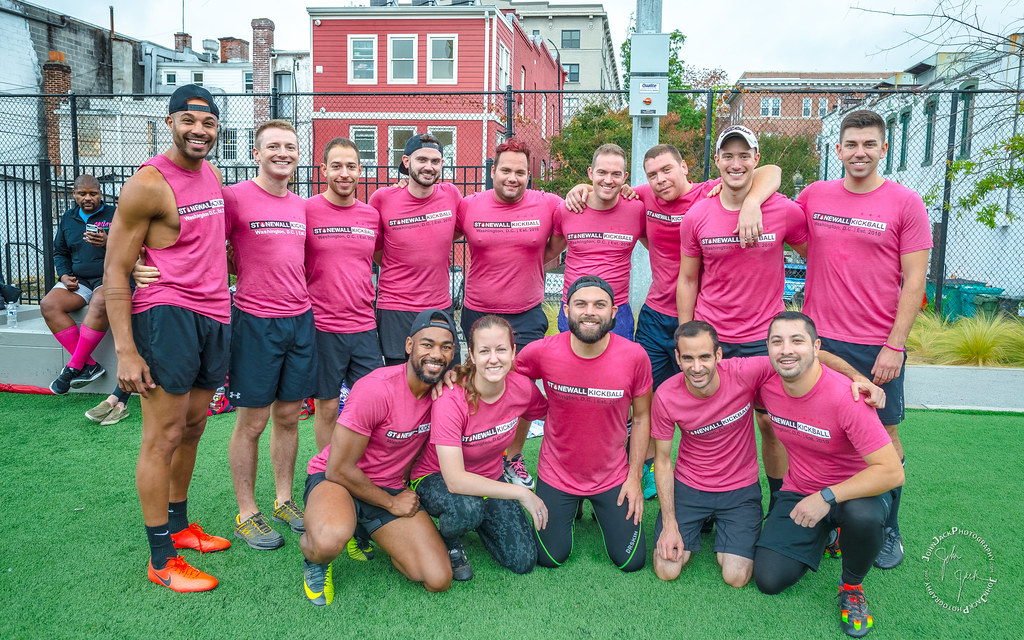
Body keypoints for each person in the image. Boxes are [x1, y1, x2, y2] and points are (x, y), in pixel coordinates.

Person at [570, 143, 782, 499]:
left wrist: (751, 202)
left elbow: (769, 171)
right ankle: (650, 468)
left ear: (686, 167)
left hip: (699, 319)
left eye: (667, 170)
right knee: (648, 399)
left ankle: (720, 480)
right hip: (655, 316)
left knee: (719, 404)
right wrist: (579, 188)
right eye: (652, 174)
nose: (660, 179)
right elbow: (601, 188)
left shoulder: (707, 193)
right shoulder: (641, 198)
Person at [104, 84, 232, 592]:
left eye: (208, 124)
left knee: (195, 426)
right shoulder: (149, 184)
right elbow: (116, 268)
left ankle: (179, 527)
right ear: (170, 122)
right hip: (167, 315)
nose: (199, 131)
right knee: (162, 437)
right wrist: (126, 351)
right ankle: (160, 557)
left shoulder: (213, 174)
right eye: (189, 122)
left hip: (214, 313)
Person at [796, 110, 931, 569]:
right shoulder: (814, 196)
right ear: (837, 150)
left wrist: (895, 345)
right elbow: (784, 222)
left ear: (883, 149)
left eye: (869, 144)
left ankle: (887, 528)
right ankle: (835, 520)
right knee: (831, 430)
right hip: (820, 340)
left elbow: (915, 281)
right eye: (851, 144)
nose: (859, 153)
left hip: (877, 345)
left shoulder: (905, 203)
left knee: (885, 435)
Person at [652, 320, 884, 588]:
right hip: (690, 487)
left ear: (718, 355)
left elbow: (808, 355)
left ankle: (728, 527)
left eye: (705, 356)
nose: (697, 367)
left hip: (739, 490)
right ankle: (701, 521)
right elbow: (662, 460)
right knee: (667, 569)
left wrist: (858, 377)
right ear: (677, 358)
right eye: (688, 358)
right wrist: (669, 524)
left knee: (736, 577)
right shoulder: (666, 395)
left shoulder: (744, 372)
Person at [677, 125, 808, 507]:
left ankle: (780, 502)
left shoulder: (783, 210)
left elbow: (817, 258)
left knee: (771, 423)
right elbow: (687, 279)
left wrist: (808, 313)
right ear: (716, 160)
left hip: (763, 338)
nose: (736, 163)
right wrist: (687, 332)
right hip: (713, 338)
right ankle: (708, 497)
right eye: (728, 156)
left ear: (756, 158)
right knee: (709, 422)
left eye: (744, 155)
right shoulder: (698, 215)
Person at [753, 312, 904, 638]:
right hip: (801, 489)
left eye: (797, 340)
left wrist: (827, 496)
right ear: (767, 348)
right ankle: (831, 534)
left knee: (861, 516)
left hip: (856, 493)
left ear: (816, 347)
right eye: (777, 341)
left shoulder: (846, 397)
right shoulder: (767, 385)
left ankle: (852, 586)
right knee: (768, 579)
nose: (786, 349)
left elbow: (892, 472)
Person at [300, 309, 460, 605]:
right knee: (328, 539)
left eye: (445, 347)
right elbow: (338, 469)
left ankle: (364, 529)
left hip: (388, 484)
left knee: (437, 578)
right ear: (409, 345)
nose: (436, 354)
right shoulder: (376, 388)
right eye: (427, 344)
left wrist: (464, 374)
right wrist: (390, 503)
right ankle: (315, 560)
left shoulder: (444, 391)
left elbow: (487, 380)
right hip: (338, 480)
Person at [515, 276, 652, 572]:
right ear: (566, 310)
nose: (590, 311)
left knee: (631, 561)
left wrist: (634, 478)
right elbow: (505, 377)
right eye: (581, 304)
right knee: (550, 558)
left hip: (612, 475)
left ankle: (592, 502)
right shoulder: (542, 350)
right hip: (557, 473)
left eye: (599, 305)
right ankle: (572, 503)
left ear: (614, 312)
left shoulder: (635, 357)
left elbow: (641, 418)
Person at [221, 119, 314, 550]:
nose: (283, 152)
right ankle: (247, 513)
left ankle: (282, 500)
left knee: (289, 416)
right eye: (273, 146)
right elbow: (202, 245)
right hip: (255, 322)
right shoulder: (235, 198)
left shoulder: (302, 206)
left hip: (300, 321)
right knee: (253, 421)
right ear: (256, 153)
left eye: (290, 146)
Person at [456, 138, 563, 490]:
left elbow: (561, 237)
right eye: (506, 170)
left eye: (520, 172)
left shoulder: (547, 204)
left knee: (519, 388)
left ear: (529, 175)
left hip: (526, 314)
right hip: (479, 312)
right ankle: (474, 456)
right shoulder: (469, 205)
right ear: (493, 172)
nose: (513, 177)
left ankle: (512, 457)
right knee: (476, 385)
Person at [410, 314, 548, 580]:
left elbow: (546, 414)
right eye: (484, 351)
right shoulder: (451, 398)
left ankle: (480, 517)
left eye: (501, 349)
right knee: (466, 509)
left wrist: (516, 453)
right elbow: (455, 480)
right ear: (471, 354)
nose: (493, 358)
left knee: (524, 560)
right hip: (436, 478)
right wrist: (521, 494)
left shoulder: (522, 389)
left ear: (513, 351)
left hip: (489, 477)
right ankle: (449, 539)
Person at [369, 134, 462, 366]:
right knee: (400, 379)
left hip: (439, 305)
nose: (428, 167)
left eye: (435, 161)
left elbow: (456, 231)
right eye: (422, 160)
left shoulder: (451, 195)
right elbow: (377, 251)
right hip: (395, 308)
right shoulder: (382, 199)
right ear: (406, 161)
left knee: (447, 379)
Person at [547, 144, 646, 341]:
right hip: (574, 308)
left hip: (617, 311)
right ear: (591, 173)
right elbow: (550, 252)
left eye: (616, 174)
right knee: (570, 370)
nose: (608, 180)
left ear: (625, 177)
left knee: (617, 371)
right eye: (602, 172)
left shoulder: (637, 210)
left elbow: (661, 250)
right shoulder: (567, 209)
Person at [43, 174, 115, 394]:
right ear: (74, 194)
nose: (88, 198)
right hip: (79, 280)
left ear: (100, 193)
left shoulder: (115, 214)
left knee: (101, 301)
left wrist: (107, 241)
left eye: (93, 193)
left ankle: (74, 366)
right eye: (82, 193)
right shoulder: (68, 218)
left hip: (109, 277)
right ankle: (89, 365)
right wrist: (64, 275)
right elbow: (60, 252)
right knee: (48, 305)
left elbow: (134, 246)